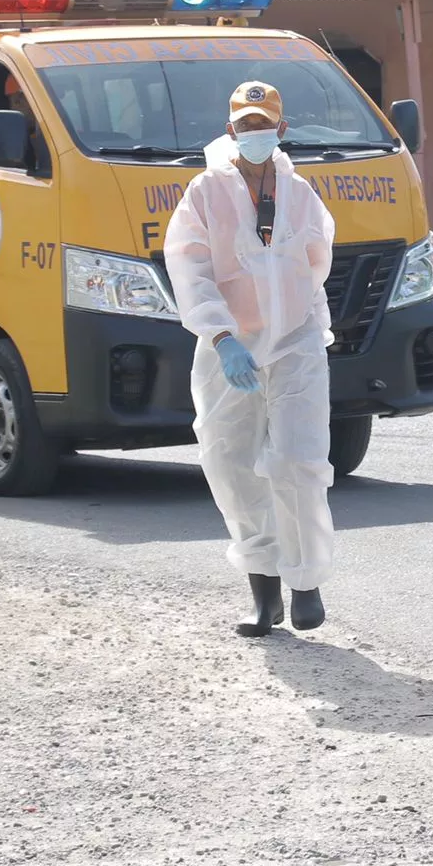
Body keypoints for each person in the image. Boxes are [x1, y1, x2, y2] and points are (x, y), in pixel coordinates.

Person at [163, 81, 336, 637]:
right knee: (231, 462)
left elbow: (315, 264)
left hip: (294, 341)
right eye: (246, 124)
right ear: (230, 126)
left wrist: (308, 326)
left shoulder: (301, 194)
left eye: (264, 125)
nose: (254, 134)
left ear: (282, 130)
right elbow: (189, 267)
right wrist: (221, 336)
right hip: (229, 349)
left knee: (297, 459)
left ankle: (305, 581)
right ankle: (265, 592)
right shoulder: (205, 192)